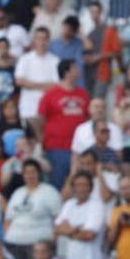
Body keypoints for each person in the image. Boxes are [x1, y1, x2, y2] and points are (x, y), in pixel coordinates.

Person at [38, 60, 90, 189]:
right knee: (58, 182)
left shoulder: (83, 94)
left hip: (81, 147)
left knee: (81, 182)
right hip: (57, 146)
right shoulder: (50, 94)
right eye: (75, 68)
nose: (78, 70)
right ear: (66, 72)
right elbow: (40, 118)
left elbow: (88, 117)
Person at [3, 159, 62, 259]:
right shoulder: (17, 192)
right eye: (27, 172)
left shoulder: (50, 191)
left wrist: (52, 241)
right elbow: (8, 219)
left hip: (39, 246)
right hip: (14, 244)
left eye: (33, 172)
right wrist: (9, 235)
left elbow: (58, 219)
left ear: (39, 174)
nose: (30, 175)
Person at [53, 171, 107, 259]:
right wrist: (76, 229)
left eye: (85, 185)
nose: (81, 189)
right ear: (73, 188)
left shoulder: (97, 205)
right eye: (78, 185)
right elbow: (57, 229)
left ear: (90, 188)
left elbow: (89, 235)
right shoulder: (69, 204)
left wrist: (68, 230)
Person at [83, 2, 122, 98]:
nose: (94, 15)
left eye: (96, 12)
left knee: (98, 101)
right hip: (89, 73)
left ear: (101, 13)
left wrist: (98, 57)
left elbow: (116, 52)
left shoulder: (109, 30)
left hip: (102, 73)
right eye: (92, 12)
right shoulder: (90, 32)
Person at [49, 16, 86, 89]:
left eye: (69, 29)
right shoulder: (53, 44)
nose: (65, 31)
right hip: (56, 82)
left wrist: (81, 32)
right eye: (64, 27)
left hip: (76, 83)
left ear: (74, 31)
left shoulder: (79, 44)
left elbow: (89, 46)